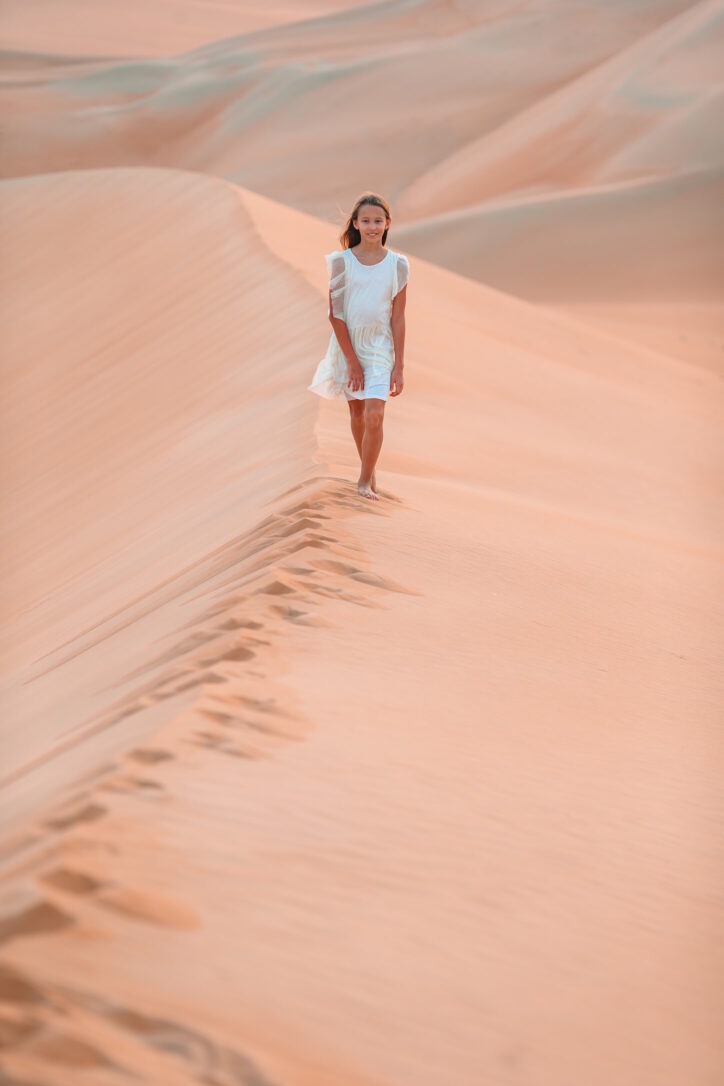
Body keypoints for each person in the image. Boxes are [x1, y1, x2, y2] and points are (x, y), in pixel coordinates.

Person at [307, 191, 409, 502]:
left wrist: (399, 366)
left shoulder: (398, 265)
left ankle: (364, 481)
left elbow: (399, 317)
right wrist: (351, 361)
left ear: (388, 223)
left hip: (380, 346)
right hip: (348, 345)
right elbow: (335, 315)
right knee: (358, 415)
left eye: (378, 221)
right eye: (365, 221)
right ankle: (370, 471)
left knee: (375, 413)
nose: (372, 226)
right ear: (355, 224)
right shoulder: (341, 263)